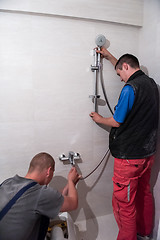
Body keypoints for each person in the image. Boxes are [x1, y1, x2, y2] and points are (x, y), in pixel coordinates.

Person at [90, 48, 159, 240]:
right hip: (148, 155)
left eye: (120, 74)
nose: (120, 79)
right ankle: (144, 235)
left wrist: (99, 118)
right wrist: (110, 56)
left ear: (126, 67)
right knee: (144, 195)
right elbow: (124, 67)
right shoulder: (151, 84)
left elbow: (117, 121)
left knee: (124, 205)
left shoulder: (130, 89)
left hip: (129, 159)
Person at [0, 152, 81, 240]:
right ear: (49, 171)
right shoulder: (40, 194)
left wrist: (69, 186)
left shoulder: (8, 182)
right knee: (52, 225)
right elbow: (73, 204)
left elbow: (53, 199)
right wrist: (71, 181)